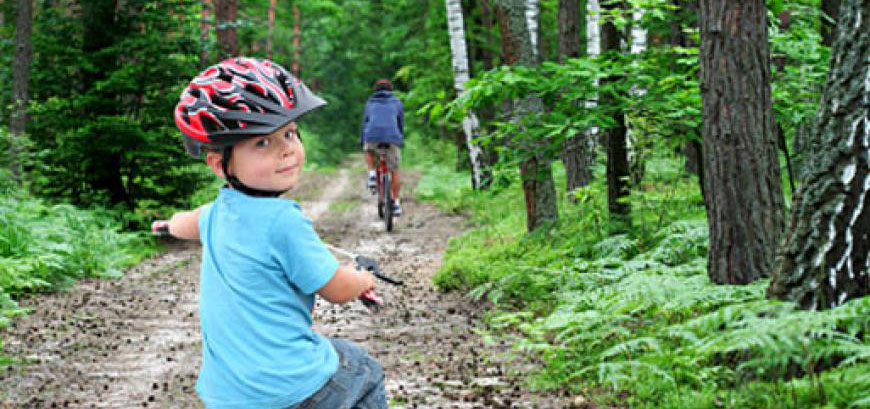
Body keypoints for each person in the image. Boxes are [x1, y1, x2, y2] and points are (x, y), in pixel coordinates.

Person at [153, 57, 388, 409]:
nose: (286, 149)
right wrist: (364, 278)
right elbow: (338, 289)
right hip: (289, 389)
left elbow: (186, 222)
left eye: (290, 133)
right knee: (363, 369)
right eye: (262, 142)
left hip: (228, 395)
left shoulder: (216, 212)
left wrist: (167, 224)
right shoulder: (285, 221)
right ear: (220, 164)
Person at [361, 78, 404, 216]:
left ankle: (373, 175)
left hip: (372, 135)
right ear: (390, 90)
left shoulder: (370, 102)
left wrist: (363, 140)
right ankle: (396, 203)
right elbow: (400, 122)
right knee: (395, 170)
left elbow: (365, 122)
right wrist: (399, 137)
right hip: (392, 137)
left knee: (369, 150)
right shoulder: (397, 102)